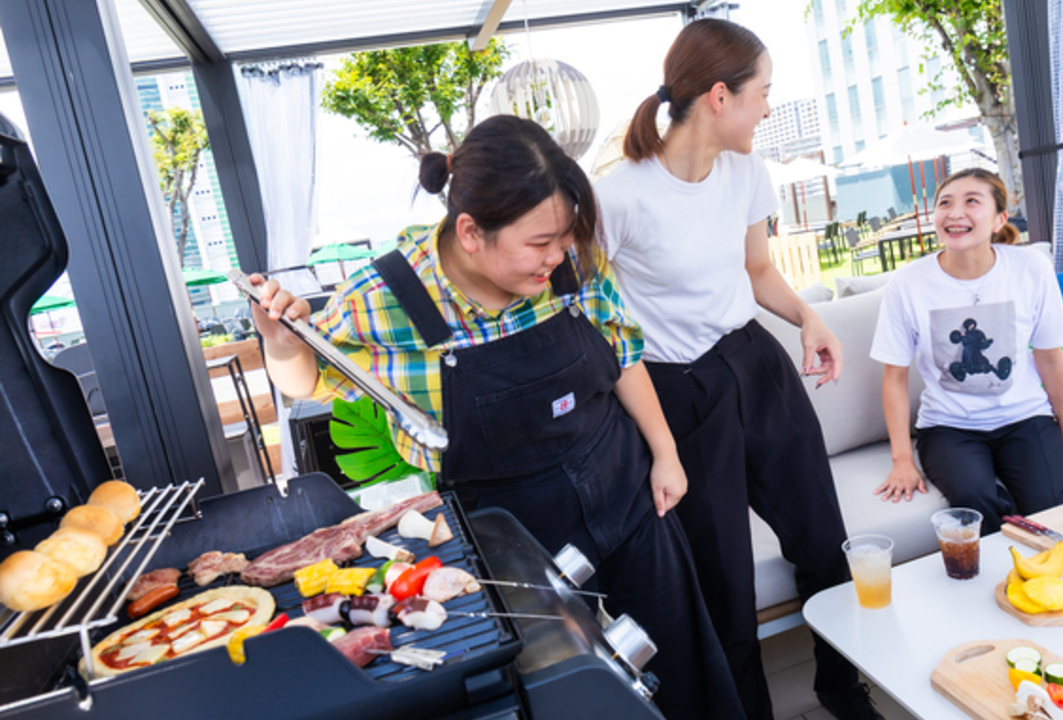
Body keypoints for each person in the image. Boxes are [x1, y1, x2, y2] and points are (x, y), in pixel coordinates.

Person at [250, 115, 745, 720]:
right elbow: (307, 378)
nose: (557, 256)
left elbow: (622, 356)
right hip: (511, 547)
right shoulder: (383, 301)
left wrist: (666, 453)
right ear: (470, 232)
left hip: (627, 502)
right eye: (540, 243)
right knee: (575, 701)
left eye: (565, 237)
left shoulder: (571, 263)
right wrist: (279, 340)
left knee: (687, 675)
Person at [595, 18, 880, 720]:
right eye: (764, 93)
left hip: (756, 367)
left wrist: (808, 318)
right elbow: (598, 322)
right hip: (679, 393)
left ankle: (843, 688)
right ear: (720, 97)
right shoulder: (619, 196)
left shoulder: (749, 171)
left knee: (824, 544)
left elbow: (757, 270)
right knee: (724, 588)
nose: (769, 108)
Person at [869, 168, 1063, 533]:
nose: (954, 212)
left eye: (971, 201)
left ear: (1000, 219)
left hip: (1026, 419)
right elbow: (894, 378)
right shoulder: (908, 284)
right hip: (949, 428)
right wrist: (902, 458)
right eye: (945, 203)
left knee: (1049, 506)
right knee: (974, 503)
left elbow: (1049, 357)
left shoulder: (1030, 267)